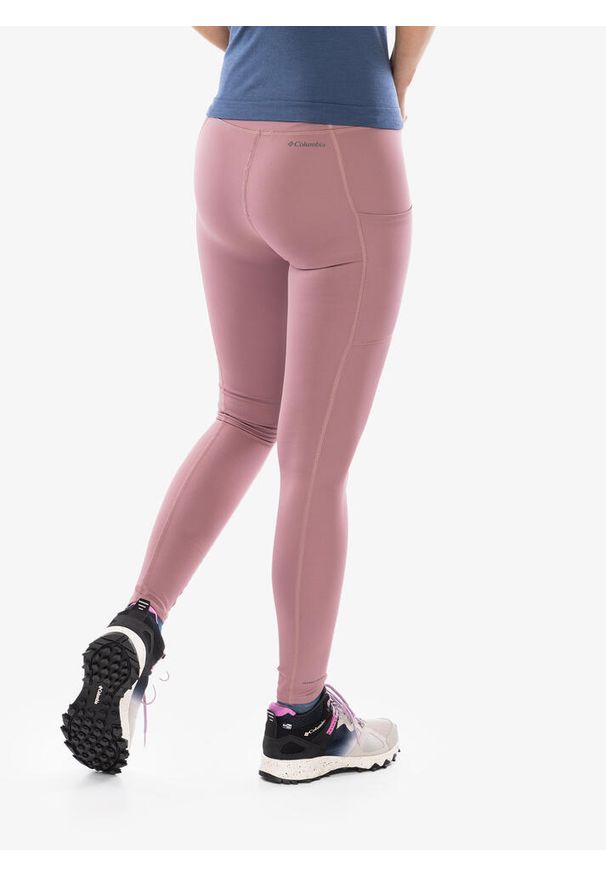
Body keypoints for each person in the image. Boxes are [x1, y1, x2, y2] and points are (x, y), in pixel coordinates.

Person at [61, 25, 434, 784]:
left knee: (243, 416)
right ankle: (302, 718)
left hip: (227, 145)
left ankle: (140, 622)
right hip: (339, 146)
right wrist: (394, 84)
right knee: (314, 464)